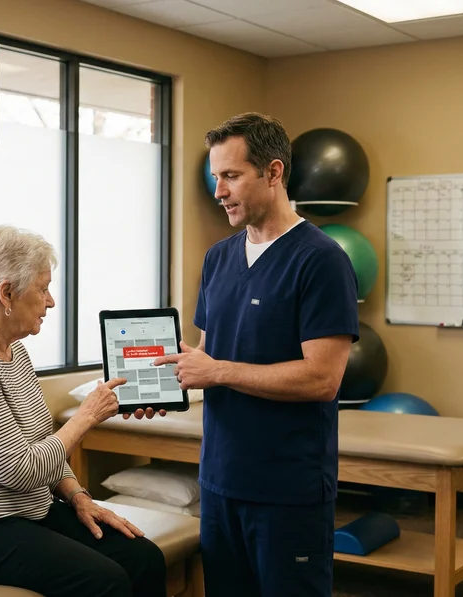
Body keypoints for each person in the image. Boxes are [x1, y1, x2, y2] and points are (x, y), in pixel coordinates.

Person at [154, 112, 359, 596]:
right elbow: (211, 355)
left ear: (273, 173)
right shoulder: (218, 257)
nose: (219, 191)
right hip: (221, 481)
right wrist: (171, 379)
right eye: (215, 178)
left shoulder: (322, 259)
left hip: (287, 489)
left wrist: (217, 370)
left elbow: (322, 379)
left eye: (231, 176)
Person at [0, 225, 167, 597]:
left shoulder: (13, 350)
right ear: (6, 293)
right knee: (104, 581)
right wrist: (86, 416)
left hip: (22, 512)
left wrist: (78, 496)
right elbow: (23, 471)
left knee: (143, 557)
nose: (51, 301)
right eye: (42, 288)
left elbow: (42, 443)